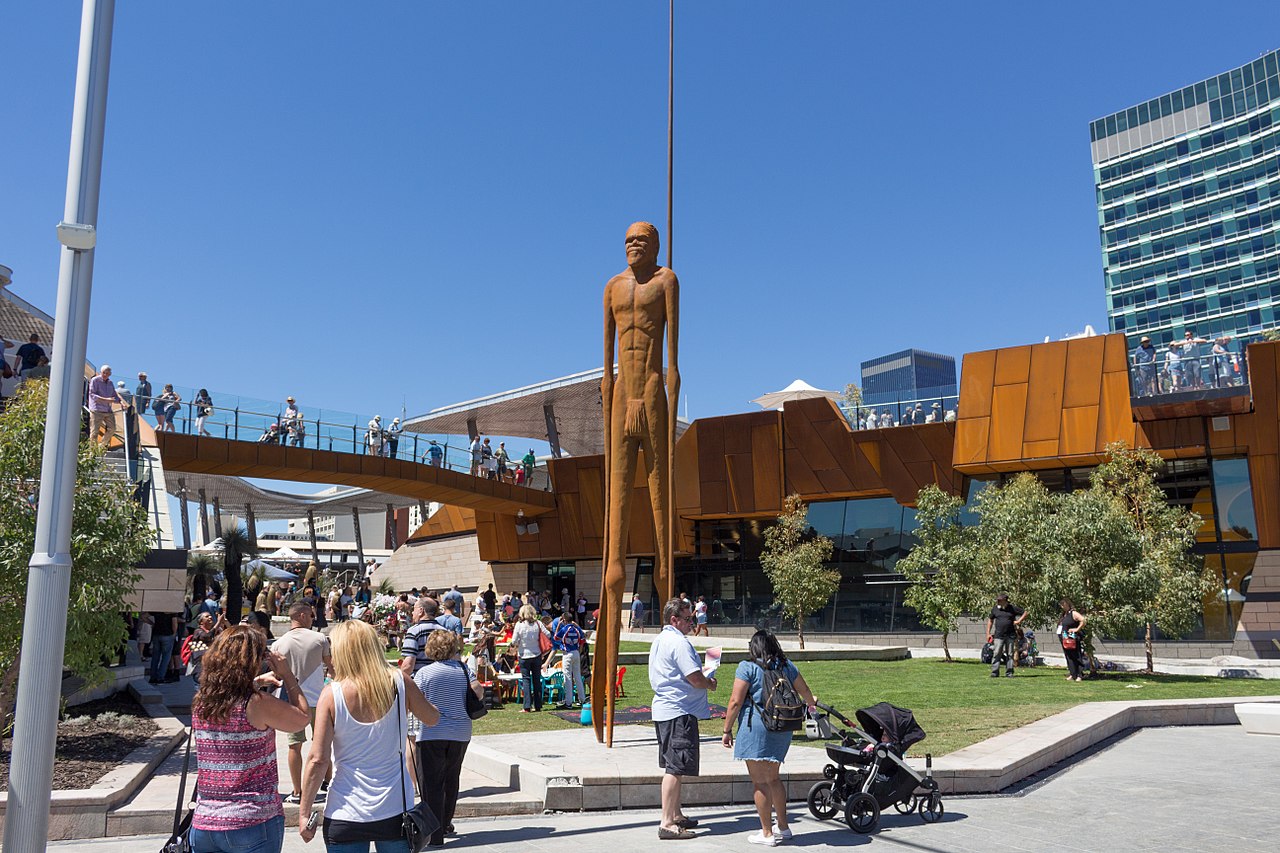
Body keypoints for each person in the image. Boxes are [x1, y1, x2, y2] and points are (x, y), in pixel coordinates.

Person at [298, 620, 440, 851]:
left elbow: (318, 759)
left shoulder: (332, 695)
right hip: (396, 808)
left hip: (345, 809)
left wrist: (304, 813)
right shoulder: (399, 682)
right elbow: (432, 718)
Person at [190, 625, 309, 853]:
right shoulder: (256, 703)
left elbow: (230, 698)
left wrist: (254, 683)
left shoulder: (201, 702)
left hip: (205, 822)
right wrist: (287, 676)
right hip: (251, 820)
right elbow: (302, 718)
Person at [722, 629, 817, 846]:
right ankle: (783, 827)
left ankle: (766, 833)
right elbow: (807, 693)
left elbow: (735, 702)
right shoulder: (786, 665)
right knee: (773, 778)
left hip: (756, 728)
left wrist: (726, 730)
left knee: (759, 782)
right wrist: (812, 702)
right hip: (782, 728)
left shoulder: (747, 667)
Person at [649, 597, 718, 839]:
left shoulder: (660, 639)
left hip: (667, 709)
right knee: (675, 767)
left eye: (693, 618)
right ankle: (667, 823)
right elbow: (695, 678)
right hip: (678, 710)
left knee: (674, 765)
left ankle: (676, 814)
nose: (692, 623)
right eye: (688, 619)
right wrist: (709, 682)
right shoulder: (679, 643)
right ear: (674, 619)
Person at [413, 629, 483, 846]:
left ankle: (434, 833)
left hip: (432, 731)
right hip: (461, 731)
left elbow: (416, 699)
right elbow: (478, 690)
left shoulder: (425, 673)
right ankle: (446, 822)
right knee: (451, 778)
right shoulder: (464, 670)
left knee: (431, 782)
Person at [274, 603, 335, 804]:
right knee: (324, 743)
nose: (313, 618)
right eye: (310, 615)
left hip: (292, 702)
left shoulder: (279, 644)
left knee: (294, 746)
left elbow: (276, 675)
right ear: (302, 615)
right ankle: (327, 783)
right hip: (319, 699)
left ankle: (297, 791)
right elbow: (332, 668)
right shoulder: (320, 639)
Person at [511, 604, 550, 712]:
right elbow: (548, 634)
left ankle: (527, 706)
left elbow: (514, 641)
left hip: (524, 655)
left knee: (526, 680)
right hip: (537, 654)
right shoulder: (538, 623)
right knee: (537, 680)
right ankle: (538, 705)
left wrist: (518, 643)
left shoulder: (519, 625)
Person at [986, 593, 1027, 678]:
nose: (997, 601)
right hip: (998, 635)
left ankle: (1009, 672)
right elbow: (990, 620)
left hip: (1010, 635)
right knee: (997, 653)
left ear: (1005, 600)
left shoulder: (1012, 608)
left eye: (999, 600)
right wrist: (988, 633)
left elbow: (1025, 612)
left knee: (1010, 654)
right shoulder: (995, 609)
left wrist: (1019, 621)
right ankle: (995, 672)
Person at [554, 611, 586, 708]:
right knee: (577, 677)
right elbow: (583, 639)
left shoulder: (564, 629)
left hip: (567, 653)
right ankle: (582, 699)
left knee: (567, 677)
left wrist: (559, 625)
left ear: (564, 620)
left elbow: (556, 638)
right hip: (576, 652)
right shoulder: (576, 629)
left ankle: (568, 702)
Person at [87, 364, 123, 446]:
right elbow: (92, 394)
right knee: (94, 431)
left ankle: (101, 446)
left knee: (112, 429)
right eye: (104, 373)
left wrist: (121, 402)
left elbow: (114, 395)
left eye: (107, 373)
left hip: (107, 410)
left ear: (110, 374)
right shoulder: (95, 380)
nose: (105, 375)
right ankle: (92, 451)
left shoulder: (110, 383)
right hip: (97, 410)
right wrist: (106, 400)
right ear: (101, 372)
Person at [1058, 599, 1088, 682]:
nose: (1062, 607)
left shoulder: (1073, 613)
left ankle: (1079, 674)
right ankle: (1072, 674)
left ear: (1067, 604)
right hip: (1065, 638)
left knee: (1076, 655)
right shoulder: (1064, 614)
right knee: (1069, 656)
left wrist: (1077, 629)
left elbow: (1083, 620)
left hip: (1073, 638)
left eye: (1063, 605)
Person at [149, 611, 178, 684]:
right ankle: (160, 677)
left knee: (155, 657)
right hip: (168, 635)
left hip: (156, 634)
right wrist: (174, 634)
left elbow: (143, 616)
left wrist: (152, 623)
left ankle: (153, 677)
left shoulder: (157, 609)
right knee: (166, 658)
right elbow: (174, 623)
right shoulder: (172, 611)